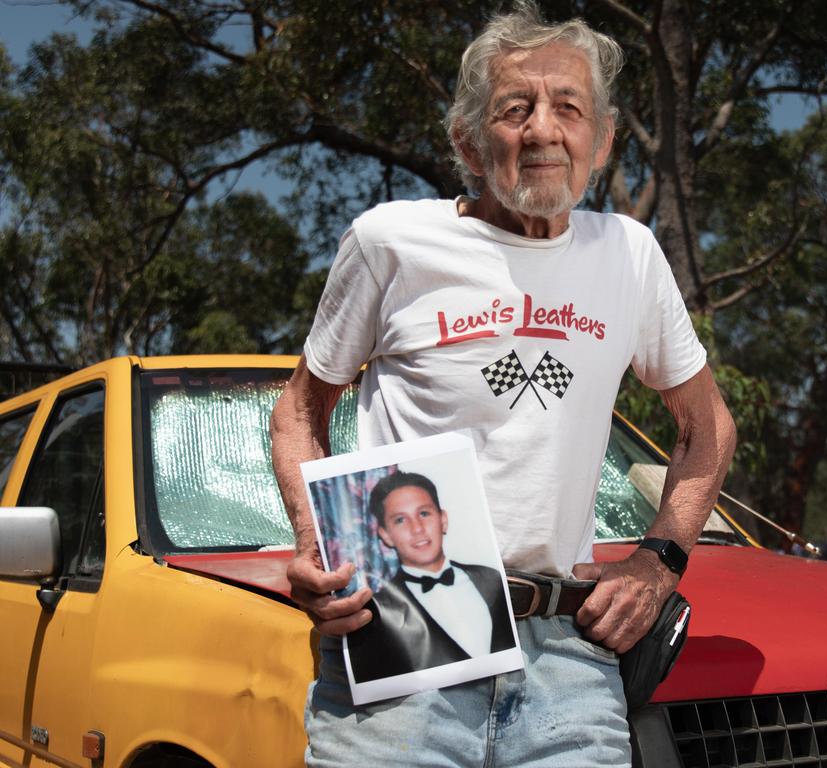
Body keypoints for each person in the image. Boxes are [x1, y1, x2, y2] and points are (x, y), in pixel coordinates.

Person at [270, 3, 736, 765]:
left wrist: (660, 562)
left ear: (604, 138)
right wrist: (313, 543)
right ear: (468, 140)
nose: (544, 130)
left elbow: (706, 426)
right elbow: (298, 411)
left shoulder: (630, 254)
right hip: (404, 635)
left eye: (569, 108)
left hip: (568, 655)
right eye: (515, 109)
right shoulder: (392, 241)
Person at [346, 471, 516, 682]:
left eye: (424, 514)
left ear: (443, 519)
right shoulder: (375, 611)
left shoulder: (492, 578)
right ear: (385, 535)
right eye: (400, 520)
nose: (417, 528)